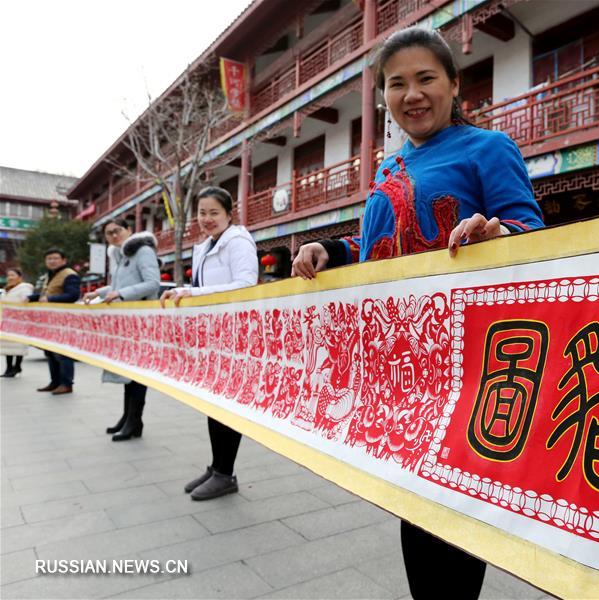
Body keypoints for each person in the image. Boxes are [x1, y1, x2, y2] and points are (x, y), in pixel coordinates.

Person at [291, 27, 544, 600]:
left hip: (466, 366)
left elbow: (533, 231)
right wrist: (332, 251)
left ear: (455, 84)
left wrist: (497, 232)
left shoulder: (489, 148)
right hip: (400, 370)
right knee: (415, 509)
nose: (412, 94)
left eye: (426, 78)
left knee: (450, 514)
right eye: (396, 84)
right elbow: (383, 250)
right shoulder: (388, 167)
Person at [160, 186, 259, 501]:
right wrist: (182, 292)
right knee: (213, 403)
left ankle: (225, 474)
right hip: (211, 336)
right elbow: (199, 287)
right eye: (202, 213)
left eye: (214, 212)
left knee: (227, 405)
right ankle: (216, 466)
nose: (206, 219)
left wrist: (192, 294)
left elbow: (245, 285)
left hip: (235, 337)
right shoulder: (203, 247)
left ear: (230, 214)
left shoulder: (239, 242)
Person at [83, 219, 160, 441]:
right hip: (127, 324)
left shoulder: (143, 250)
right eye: (109, 234)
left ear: (129, 230)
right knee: (129, 373)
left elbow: (153, 283)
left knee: (138, 374)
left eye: (118, 231)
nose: (114, 236)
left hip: (141, 323)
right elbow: (118, 288)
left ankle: (134, 420)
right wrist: (98, 292)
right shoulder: (120, 255)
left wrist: (121, 294)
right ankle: (128, 417)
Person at [28, 248, 81, 395]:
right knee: (50, 353)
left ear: (63, 260)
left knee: (63, 353)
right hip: (50, 321)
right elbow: (48, 293)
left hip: (64, 321)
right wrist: (31, 297)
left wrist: (50, 299)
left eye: (55, 258)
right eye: (49, 258)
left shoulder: (70, 275)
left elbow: (73, 295)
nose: (52, 261)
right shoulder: (51, 275)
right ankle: (55, 382)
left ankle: (66, 384)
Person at [0, 268, 35, 377]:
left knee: (19, 345)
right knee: (7, 346)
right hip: (7, 322)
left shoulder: (24, 288)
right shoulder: (6, 290)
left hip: (19, 321)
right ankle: (9, 368)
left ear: (19, 277)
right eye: (8, 275)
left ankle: (17, 366)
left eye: (13, 275)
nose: (10, 277)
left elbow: (26, 301)